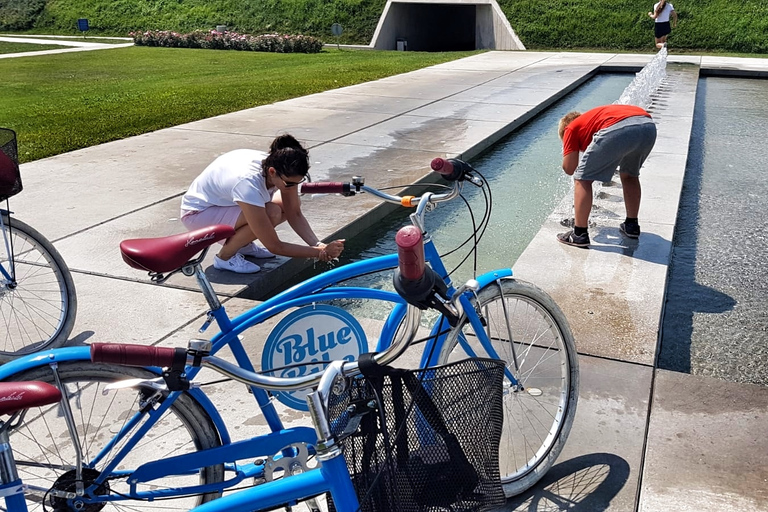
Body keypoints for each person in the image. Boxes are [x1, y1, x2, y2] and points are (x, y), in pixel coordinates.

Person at [180, 134, 345, 273]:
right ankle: (224, 257)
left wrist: (318, 244)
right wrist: (319, 253)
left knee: (281, 205)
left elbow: (294, 212)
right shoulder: (247, 184)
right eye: (289, 184)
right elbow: (275, 246)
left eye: (298, 182)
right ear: (272, 172)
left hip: (222, 205)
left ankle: (243, 245)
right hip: (197, 214)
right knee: (271, 212)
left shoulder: (278, 163)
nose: (292, 188)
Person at [556, 104, 657, 248]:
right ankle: (631, 225)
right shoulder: (592, 120)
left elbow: (569, 169)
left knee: (581, 179)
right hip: (647, 126)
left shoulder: (570, 128)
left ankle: (579, 234)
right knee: (629, 175)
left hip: (620, 129)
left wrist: (569, 149)